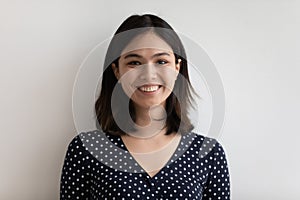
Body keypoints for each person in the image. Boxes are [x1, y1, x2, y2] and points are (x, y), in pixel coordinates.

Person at [60, 14, 230, 199]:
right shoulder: (85, 150)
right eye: (134, 62)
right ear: (117, 71)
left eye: (161, 62)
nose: (149, 74)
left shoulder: (209, 154)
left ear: (177, 68)